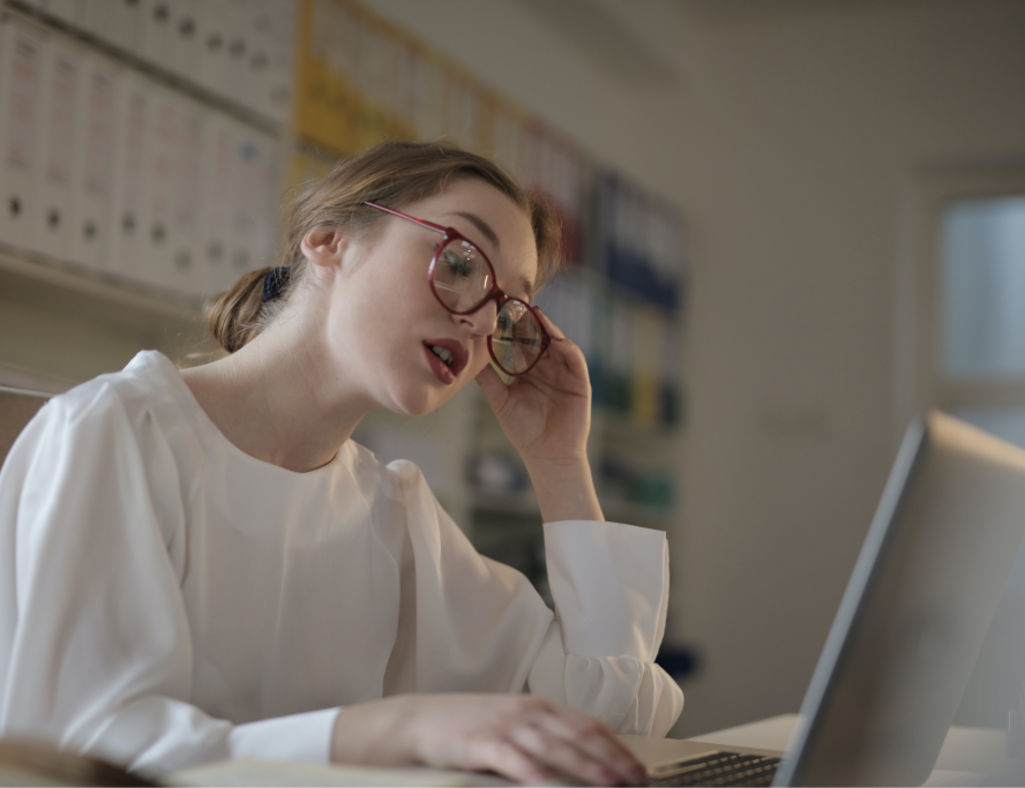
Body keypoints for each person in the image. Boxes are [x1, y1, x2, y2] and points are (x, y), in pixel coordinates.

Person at [0, 141, 683, 785]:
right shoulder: (117, 431)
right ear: (329, 241)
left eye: (508, 307)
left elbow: (607, 718)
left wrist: (558, 462)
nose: (480, 321)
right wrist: (393, 728)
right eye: (459, 261)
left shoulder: (392, 508)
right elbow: (84, 752)